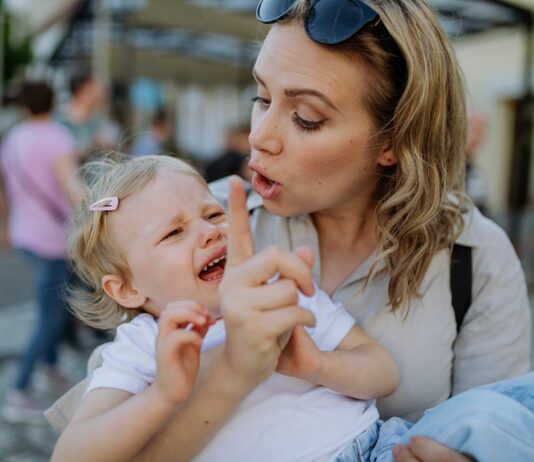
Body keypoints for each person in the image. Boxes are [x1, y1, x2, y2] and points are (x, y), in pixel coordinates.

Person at [48, 0, 531, 460]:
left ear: (393, 142)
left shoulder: (477, 255)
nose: (259, 135)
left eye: (306, 118)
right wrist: (231, 369)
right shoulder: (202, 216)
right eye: (260, 97)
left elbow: (493, 422)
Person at [51, 155, 399, 461]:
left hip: (378, 444)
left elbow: (384, 372)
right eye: (174, 232)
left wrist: (316, 365)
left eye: (214, 214)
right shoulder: (145, 344)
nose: (209, 232)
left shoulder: (278, 288)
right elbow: (72, 455)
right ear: (126, 289)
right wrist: (162, 395)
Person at [0, 81, 83, 423]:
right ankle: (19, 390)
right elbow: (72, 185)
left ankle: (50, 367)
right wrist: (95, 215)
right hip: (52, 238)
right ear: (52, 101)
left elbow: (3, 188)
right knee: (50, 316)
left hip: (24, 233)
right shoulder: (56, 136)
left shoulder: (13, 137)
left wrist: (4, 226)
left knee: (54, 304)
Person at [55, 71, 106, 161]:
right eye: (97, 86)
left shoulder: (96, 120)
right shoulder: (60, 121)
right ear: (84, 89)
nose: (103, 91)